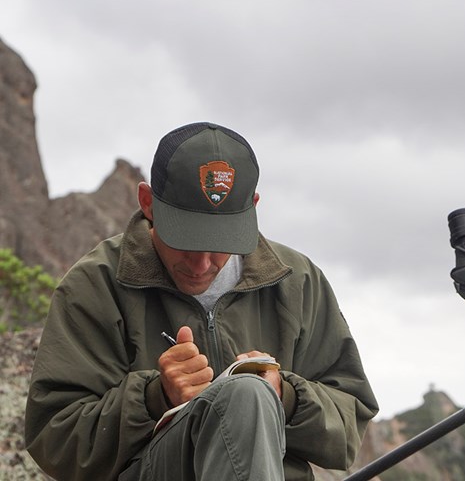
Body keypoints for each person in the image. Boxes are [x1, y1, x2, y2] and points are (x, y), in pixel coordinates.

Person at [25, 122, 379, 481]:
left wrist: (285, 396)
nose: (202, 264)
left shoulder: (297, 282)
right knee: (246, 396)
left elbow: (348, 430)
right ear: (147, 202)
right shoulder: (96, 285)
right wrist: (154, 398)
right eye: (185, 239)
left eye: (220, 242)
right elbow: (54, 440)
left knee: (250, 394)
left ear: (252, 208)